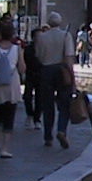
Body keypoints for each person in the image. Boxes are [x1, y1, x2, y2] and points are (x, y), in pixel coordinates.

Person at [33, 10, 74, 149]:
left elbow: (38, 55)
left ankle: (47, 136)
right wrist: (72, 76)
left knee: (47, 105)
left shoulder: (41, 37)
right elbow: (69, 58)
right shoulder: (66, 36)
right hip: (62, 70)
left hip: (46, 70)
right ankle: (61, 130)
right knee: (64, 103)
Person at [0, 21, 24, 158]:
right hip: (12, 84)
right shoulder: (17, 49)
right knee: (9, 115)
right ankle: (4, 148)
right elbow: (22, 68)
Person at [21, 27, 41, 129]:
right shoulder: (28, 48)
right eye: (37, 36)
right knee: (27, 96)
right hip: (30, 74)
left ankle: (37, 119)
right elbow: (24, 61)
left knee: (40, 98)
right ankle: (30, 114)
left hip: (41, 75)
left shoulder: (44, 48)